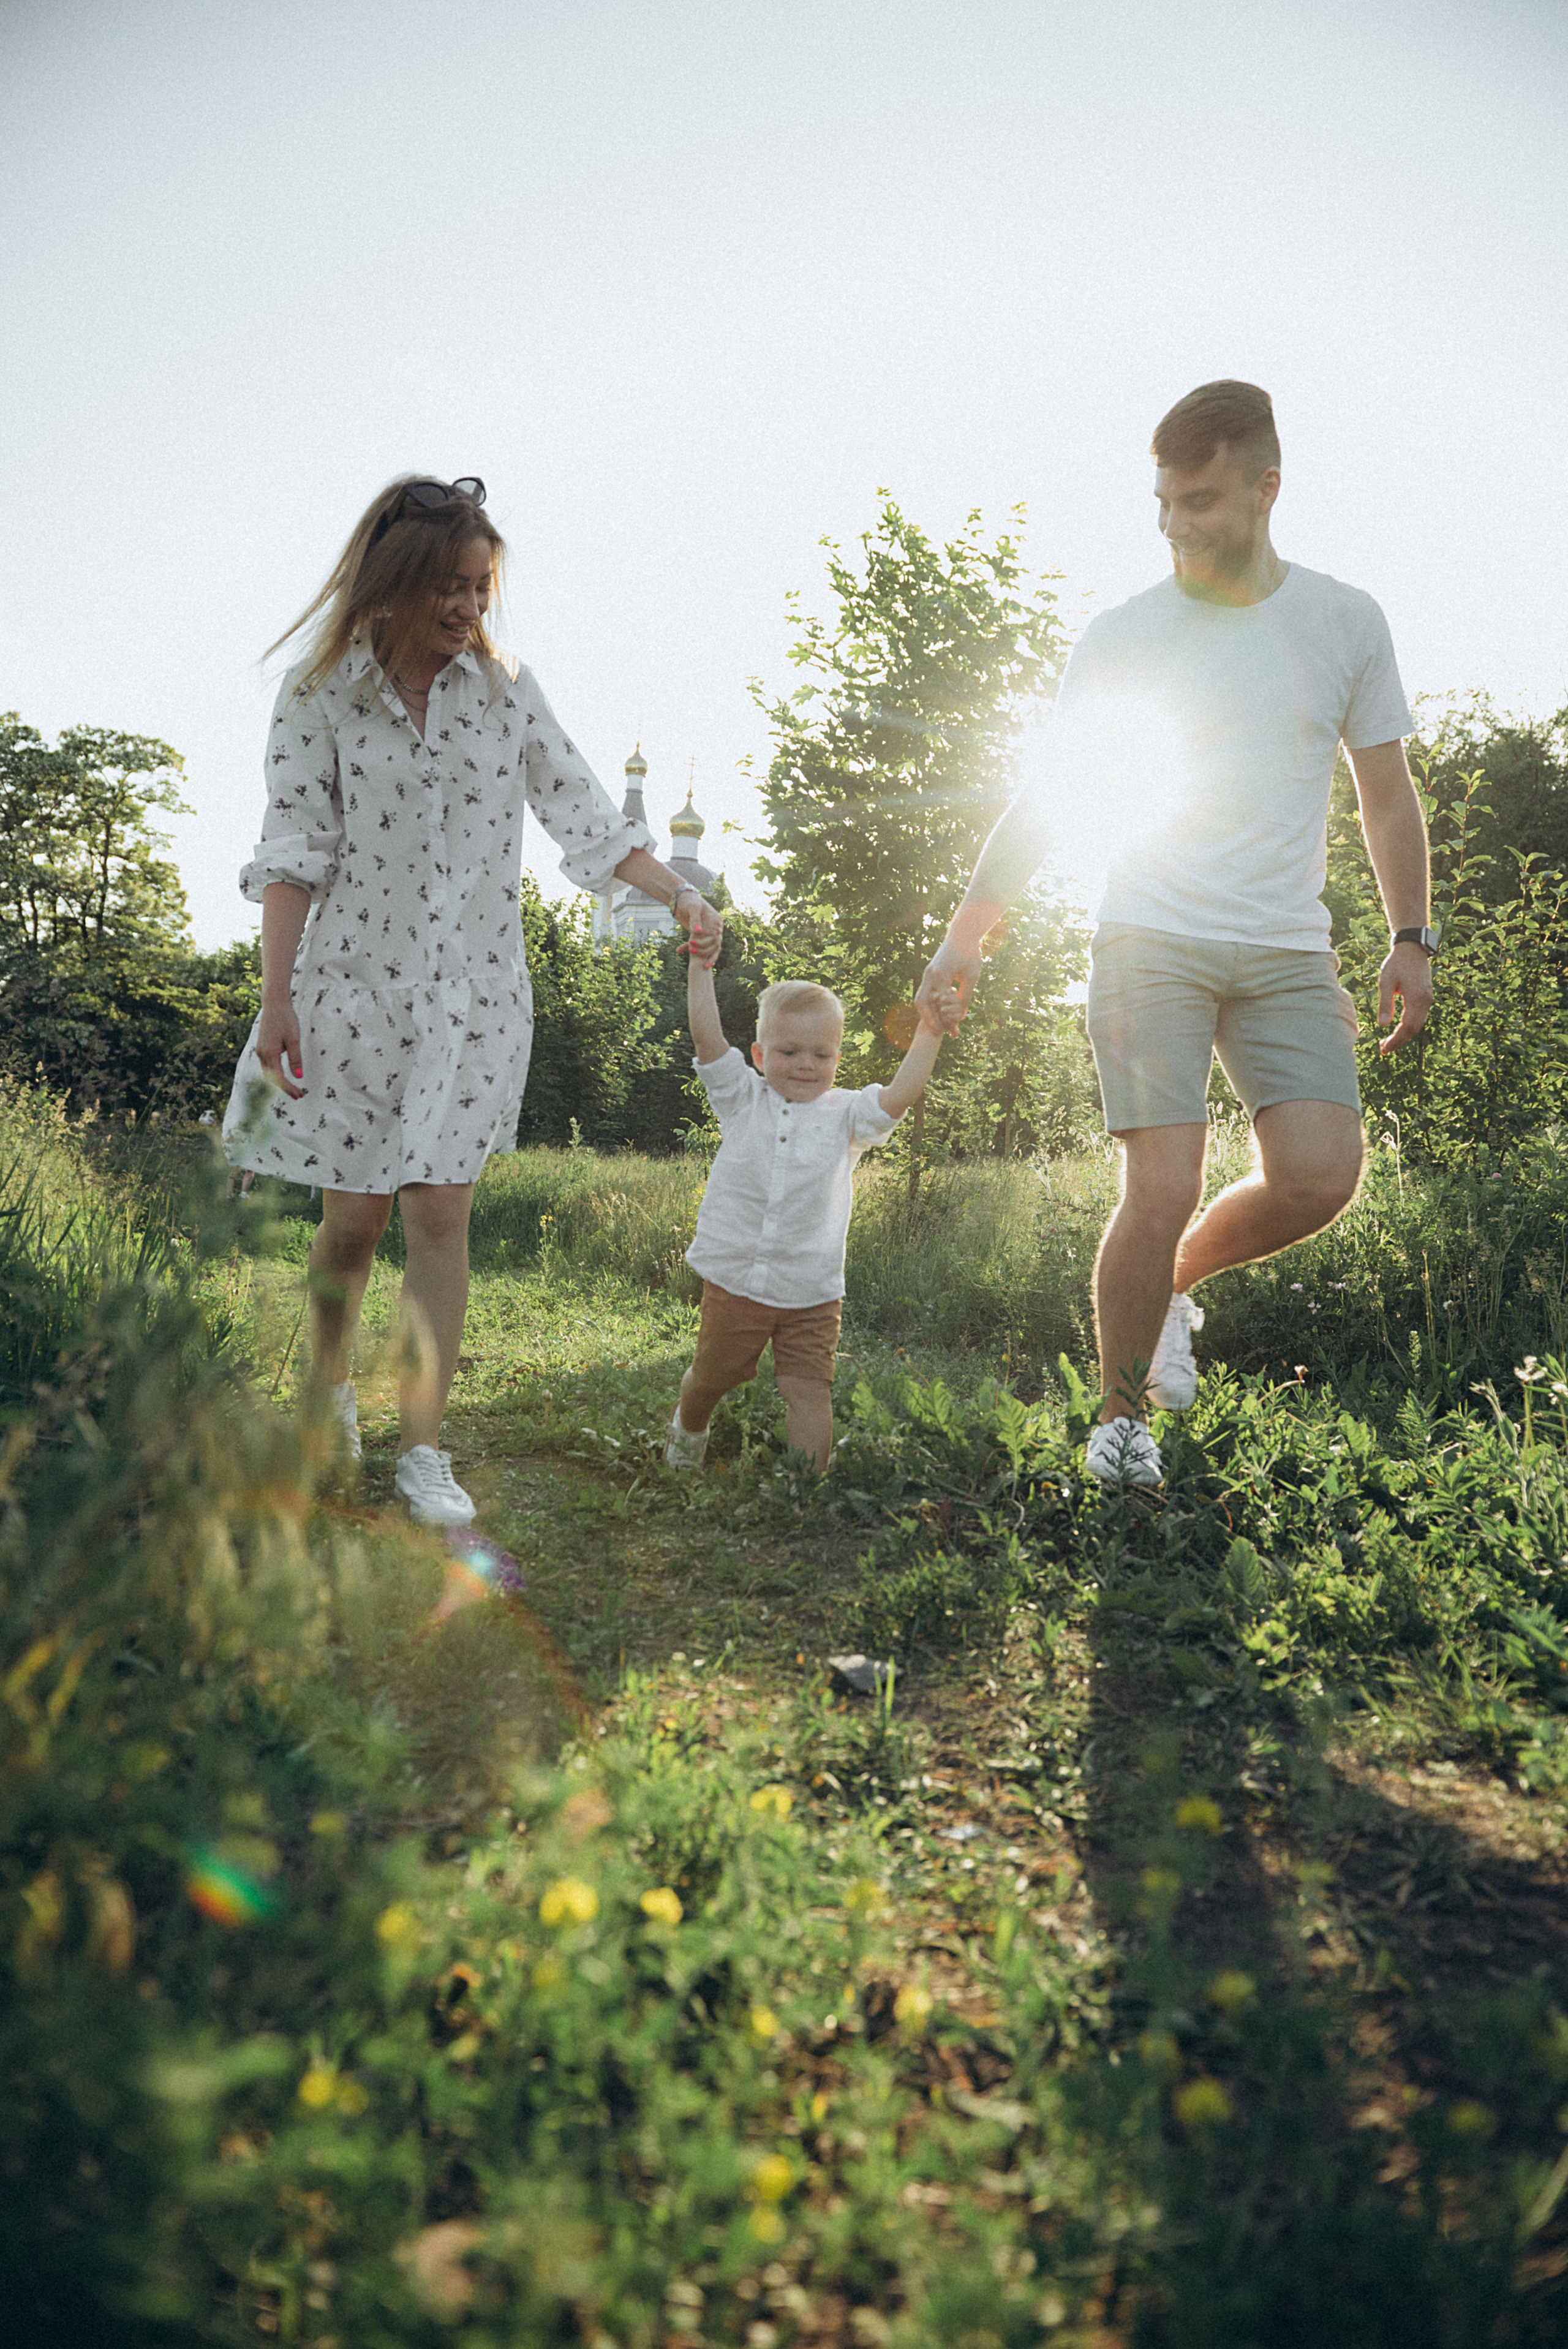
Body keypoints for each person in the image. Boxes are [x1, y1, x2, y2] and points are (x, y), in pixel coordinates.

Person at [916, 382, 1434, 1487]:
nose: (1175, 525)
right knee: (1160, 1185)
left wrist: (1410, 936)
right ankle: (1120, 1423)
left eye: (1199, 501)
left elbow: (1386, 794)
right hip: (1149, 935)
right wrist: (965, 936)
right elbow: (1044, 801)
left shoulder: (1346, 621)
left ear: (1265, 489)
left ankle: (1174, 1290)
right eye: (1162, 503)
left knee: (1320, 1176)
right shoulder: (1124, 636)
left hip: (1288, 945)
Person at [223, 473, 722, 1526]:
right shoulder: (320, 696)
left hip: (472, 1000)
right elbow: (292, 850)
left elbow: (585, 810)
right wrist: (277, 1000)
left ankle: (423, 1448)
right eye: (450, 586)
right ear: (394, 581)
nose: (467, 609)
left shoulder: (506, 693)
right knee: (351, 1225)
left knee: (440, 1213)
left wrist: (680, 893)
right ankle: (328, 1392)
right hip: (348, 992)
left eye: (482, 589)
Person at [664, 957, 952, 1474]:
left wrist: (931, 1030)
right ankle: (689, 1426)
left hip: (812, 1289)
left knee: (809, 1389)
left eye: (821, 1054)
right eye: (789, 1051)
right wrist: (701, 966)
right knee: (712, 1376)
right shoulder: (741, 1097)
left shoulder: (848, 1114)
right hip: (737, 1280)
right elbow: (707, 1038)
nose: (805, 1064)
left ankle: (805, 1490)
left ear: (838, 1058)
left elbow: (901, 1094)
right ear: (758, 1054)